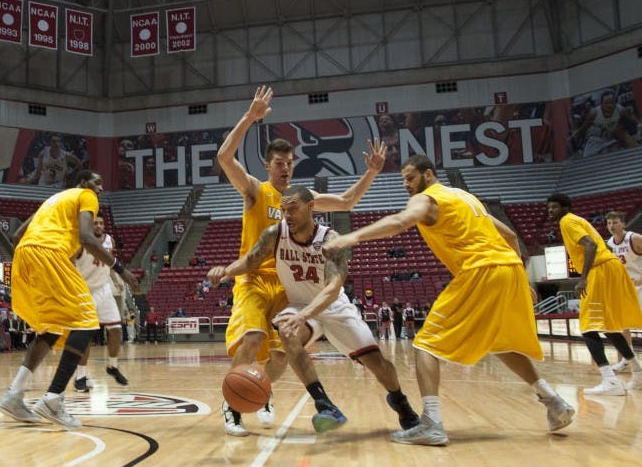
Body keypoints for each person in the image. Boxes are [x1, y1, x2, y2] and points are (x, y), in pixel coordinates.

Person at [323, 154, 575, 446]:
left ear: (428, 175)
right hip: (508, 269)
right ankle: (554, 402)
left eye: (410, 178)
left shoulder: (428, 199)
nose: (406, 185)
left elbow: (400, 220)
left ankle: (431, 423)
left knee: (425, 345)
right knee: (499, 342)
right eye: (404, 179)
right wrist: (521, 277)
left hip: (479, 270)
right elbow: (509, 235)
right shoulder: (467, 198)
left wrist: (348, 239)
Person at [215, 84, 388, 437]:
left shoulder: (302, 200)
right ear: (268, 166)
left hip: (285, 284)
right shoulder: (254, 190)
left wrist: (371, 171)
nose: (285, 169)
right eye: (279, 164)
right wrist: (250, 117)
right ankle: (231, 406)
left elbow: (346, 202)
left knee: (281, 355)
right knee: (252, 338)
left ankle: (261, 390)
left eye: (290, 164)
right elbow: (223, 157)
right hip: (252, 279)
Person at [209, 185, 420, 435]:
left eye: (293, 209)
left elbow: (332, 290)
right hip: (299, 305)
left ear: (311, 207)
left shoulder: (331, 241)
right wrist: (226, 271)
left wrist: (304, 315)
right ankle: (325, 404)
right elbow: (251, 260)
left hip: (334, 306)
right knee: (287, 333)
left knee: (378, 364)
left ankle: (401, 403)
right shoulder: (275, 234)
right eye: (283, 210)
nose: (287, 215)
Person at [0, 171, 137, 429]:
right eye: (97, 183)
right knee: (86, 321)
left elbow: (17, 235)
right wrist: (120, 269)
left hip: (25, 256)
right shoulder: (86, 196)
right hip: (49, 254)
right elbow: (86, 236)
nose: (101, 189)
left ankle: (14, 394)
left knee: (52, 327)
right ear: (83, 183)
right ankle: (53, 398)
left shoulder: (55, 200)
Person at [546, 194, 642, 394]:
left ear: (565, 208)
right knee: (609, 326)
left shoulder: (567, 221)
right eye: (549, 208)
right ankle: (638, 372)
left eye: (554, 207)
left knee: (588, 327)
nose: (550, 211)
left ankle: (610, 381)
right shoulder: (578, 219)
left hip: (600, 271)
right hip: (612, 267)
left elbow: (591, 245)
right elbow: (605, 245)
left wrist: (583, 277)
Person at [72, 217, 130, 392]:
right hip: (85, 291)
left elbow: (109, 262)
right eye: (95, 223)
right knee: (86, 336)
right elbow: (68, 262)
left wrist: (116, 280)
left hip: (104, 289)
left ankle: (112, 366)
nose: (98, 226)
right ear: (89, 225)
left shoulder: (109, 240)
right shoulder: (81, 241)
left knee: (116, 330)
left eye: (101, 223)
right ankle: (80, 376)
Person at [606, 210, 642, 372]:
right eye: (609, 223)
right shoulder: (609, 244)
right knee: (622, 325)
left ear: (623, 224)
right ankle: (629, 359)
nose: (612, 226)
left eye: (615, 222)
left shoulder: (634, 238)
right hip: (624, 288)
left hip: (640, 285)